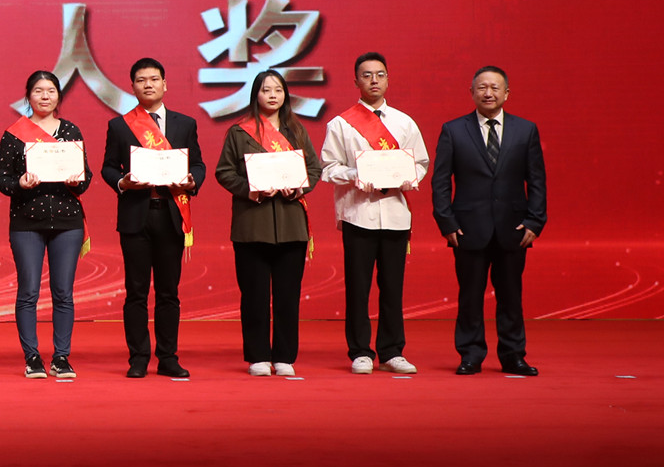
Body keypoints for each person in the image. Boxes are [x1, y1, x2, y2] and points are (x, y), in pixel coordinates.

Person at [432, 65, 548, 376]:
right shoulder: (454, 130)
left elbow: (537, 180)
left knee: (511, 295)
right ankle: (470, 355)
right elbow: (441, 181)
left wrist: (535, 221)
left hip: (514, 228)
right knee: (470, 295)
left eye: (495, 88)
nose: (488, 93)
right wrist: (447, 222)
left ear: (506, 93)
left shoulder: (526, 130)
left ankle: (513, 356)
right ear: (471, 92)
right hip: (467, 228)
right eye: (482, 87)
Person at [319, 52, 429, 375]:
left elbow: (421, 163)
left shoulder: (404, 122)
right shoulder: (341, 124)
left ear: (388, 79)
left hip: (395, 214)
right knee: (358, 287)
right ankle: (360, 351)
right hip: (358, 213)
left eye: (380, 74)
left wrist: (405, 178)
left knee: (393, 287)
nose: (374, 81)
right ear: (356, 81)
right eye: (366, 75)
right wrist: (356, 174)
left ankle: (392, 351)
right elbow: (328, 167)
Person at [100, 57, 204, 379]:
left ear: (165, 84)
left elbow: (198, 164)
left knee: (168, 291)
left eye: (154, 79)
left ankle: (168, 357)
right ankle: (138, 357)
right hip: (136, 216)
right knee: (136, 291)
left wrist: (192, 181)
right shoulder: (119, 126)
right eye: (141, 80)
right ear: (132, 86)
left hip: (171, 215)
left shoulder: (185, 124)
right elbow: (108, 167)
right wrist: (122, 182)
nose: (148, 85)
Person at [214, 71, 322, 377]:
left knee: (288, 296)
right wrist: (249, 189)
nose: (272, 95)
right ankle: (258, 356)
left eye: (278, 89)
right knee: (255, 296)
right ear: (256, 95)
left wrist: (299, 188)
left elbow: (314, 169)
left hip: (291, 225)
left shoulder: (297, 130)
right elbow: (224, 172)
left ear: (285, 95)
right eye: (266, 90)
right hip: (252, 225)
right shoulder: (240, 132)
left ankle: (284, 356)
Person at [0, 70, 91, 379]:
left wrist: (77, 181)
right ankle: (32, 356)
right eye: (38, 91)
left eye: (50, 90)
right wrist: (20, 183)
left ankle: (61, 357)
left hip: (67, 221)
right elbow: (2, 179)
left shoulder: (71, 130)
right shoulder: (14, 134)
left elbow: (85, 177)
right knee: (29, 291)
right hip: (27, 222)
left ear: (58, 96)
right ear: (28, 96)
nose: (45, 96)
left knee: (63, 292)